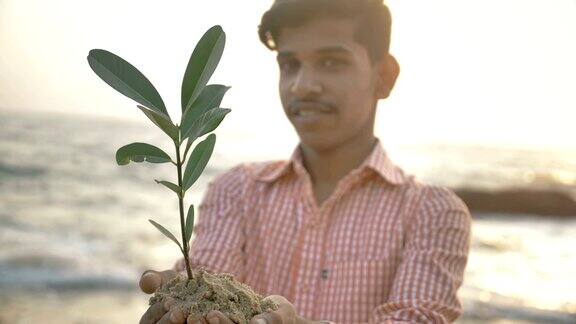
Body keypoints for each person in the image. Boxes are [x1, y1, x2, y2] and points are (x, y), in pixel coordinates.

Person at [139, 0, 471, 323]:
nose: (303, 86)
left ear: (383, 76)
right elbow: (208, 274)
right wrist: (185, 296)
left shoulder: (432, 212)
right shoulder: (237, 189)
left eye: (331, 62)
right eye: (290, 65)